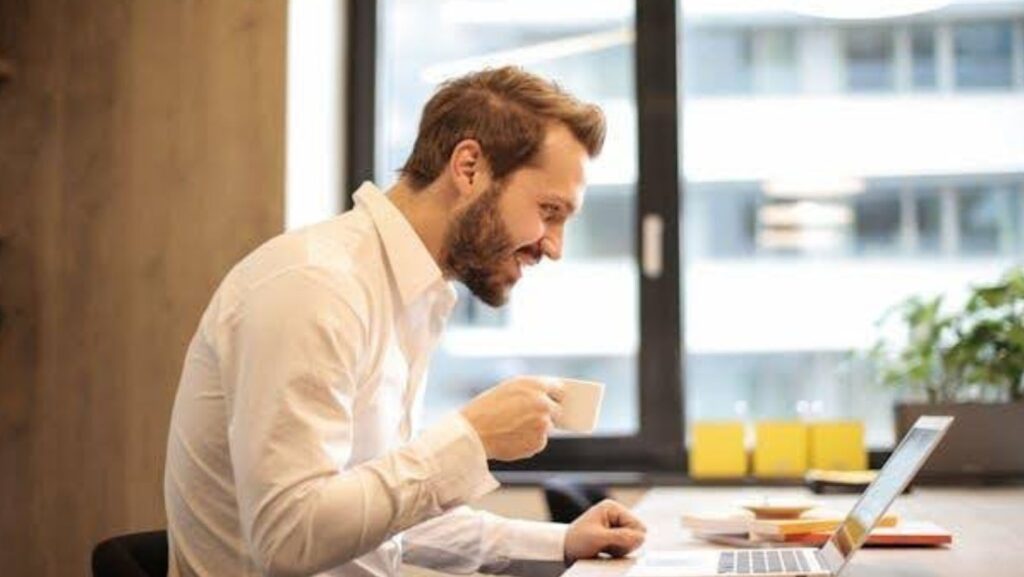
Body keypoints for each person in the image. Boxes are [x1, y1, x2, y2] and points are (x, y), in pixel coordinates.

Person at [164, 66, 646, 577]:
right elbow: (289, 536)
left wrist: (562, 542)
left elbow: (382, 517)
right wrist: (471, 438)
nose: (554, 246)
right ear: (468, 168)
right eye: (548, 211)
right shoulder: (315, 286)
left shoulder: (411, 296)